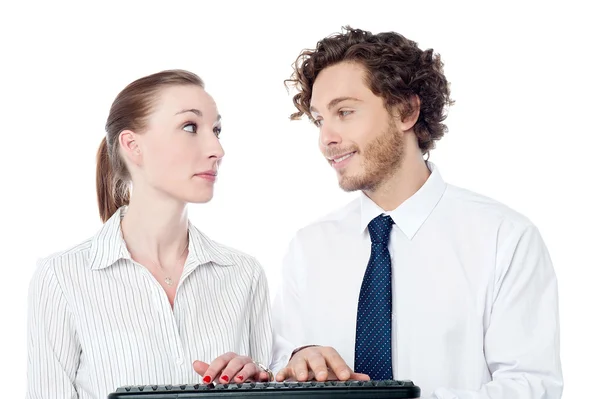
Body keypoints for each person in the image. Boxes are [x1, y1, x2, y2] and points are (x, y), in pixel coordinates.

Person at [271, 26, 563, 398]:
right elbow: (281, 365)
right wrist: (298, 361)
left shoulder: (503, 238)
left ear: (406, 111)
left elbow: (532, 387)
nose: (326, 138)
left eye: (344, 112)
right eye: (319, 120)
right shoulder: (308, 248)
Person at [26, 69, 274, 399]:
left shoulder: (245, 274)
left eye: (216, 130)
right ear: (133, 145)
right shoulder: (61, 277)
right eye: (190, 127)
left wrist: (261, 380)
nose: (217, 148)